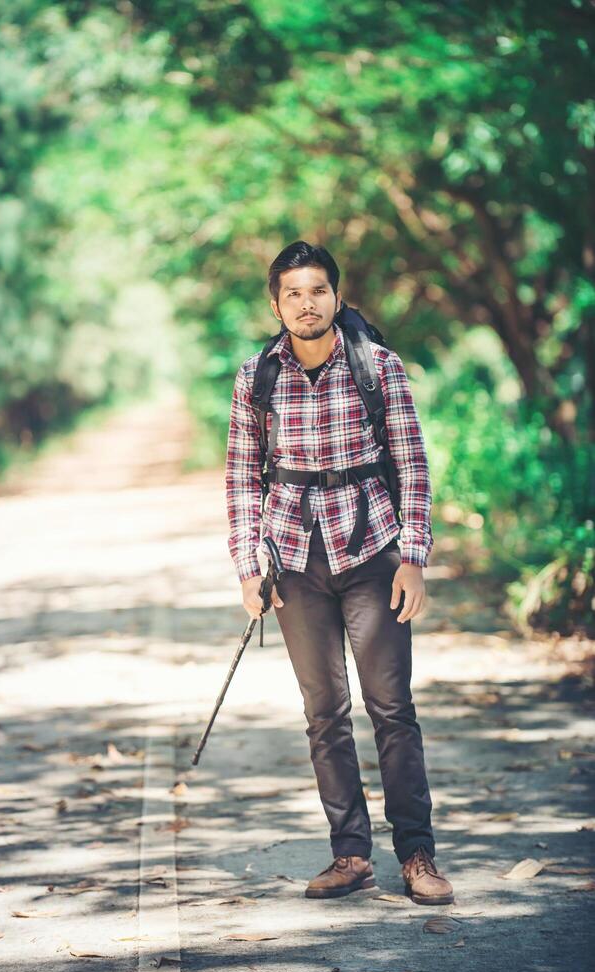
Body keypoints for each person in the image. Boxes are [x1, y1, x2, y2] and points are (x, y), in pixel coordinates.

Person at [224, 240, 454, 905]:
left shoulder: (378, 367)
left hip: (373, 554)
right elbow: (242, 478)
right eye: (292, 293)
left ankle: (417, 855)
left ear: (337, 297)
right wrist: (248, 569)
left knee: (392, 708)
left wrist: (414, 559)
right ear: (276, 304)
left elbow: (412, 466)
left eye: (318, 290)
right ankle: (350, 854)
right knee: (324, 712)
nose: (306, 303)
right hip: (293, 560)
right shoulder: (256, 378)